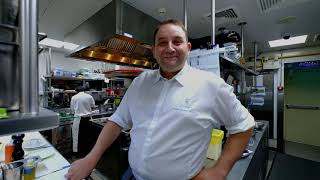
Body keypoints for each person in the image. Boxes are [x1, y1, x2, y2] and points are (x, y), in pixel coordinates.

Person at [65, 19, 255, 180]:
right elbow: (117, 121)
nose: (170, 48)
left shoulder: (210, 85)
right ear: (154, 50)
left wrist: (219, 172)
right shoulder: (141, 82)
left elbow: (243, 125)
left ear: (188, 48)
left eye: (177, 41)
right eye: (162, 43)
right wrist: (91, 159)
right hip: (133, 175)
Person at [70, 86, 95, 154]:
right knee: (87, 136)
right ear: (84, 90)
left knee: (77, 137)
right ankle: (87, 152)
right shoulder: (89, 96)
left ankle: (78, 153)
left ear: (77, 91)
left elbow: (72, 110)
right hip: (88, 119)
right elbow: (93, 107)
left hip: (78, 120)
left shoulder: (74, 97)